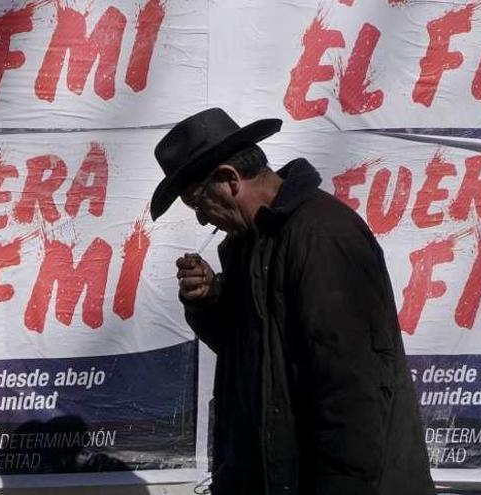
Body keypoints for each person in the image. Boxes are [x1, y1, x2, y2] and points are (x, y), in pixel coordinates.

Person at [150, 108, 434, 495]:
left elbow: (351, 389)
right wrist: (209, 299)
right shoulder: (249, 244)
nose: (202, 221)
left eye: (199, 204)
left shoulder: (322, 237)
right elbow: (251, 352)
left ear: (229, 180)